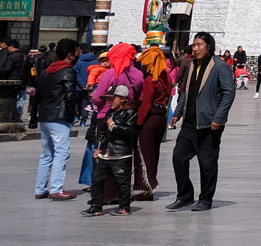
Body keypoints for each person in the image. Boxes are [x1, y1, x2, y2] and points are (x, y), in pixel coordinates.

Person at [167, 31, 233, 212]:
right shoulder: (191, 66)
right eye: (194, 45)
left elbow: (229, 93)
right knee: (178, 157)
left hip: (208, 124)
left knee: (207, 163)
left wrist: (218, 117)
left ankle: (205, 199)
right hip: (189, 123)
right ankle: (185, 195)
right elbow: (186, 92)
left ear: (208, 47)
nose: (195, 49)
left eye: (199, 45)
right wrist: (178, 113)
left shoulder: (219, 67)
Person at [32, 38, 80, 200]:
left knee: (47, 154)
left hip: (45, 116)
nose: (78, 55)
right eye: (77, 52)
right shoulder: (68, 71)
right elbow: (69, 95)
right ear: (70, 55)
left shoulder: (47, 70)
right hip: (59, 116)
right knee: (61, 152)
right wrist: (73, 114)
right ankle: (56, 188)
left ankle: (40, 188)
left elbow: (37, 95)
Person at [82, 85, 138, 217]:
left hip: (121, 154)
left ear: (123, 99)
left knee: (123, 183)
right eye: (108, 99)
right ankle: (96, 206)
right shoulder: (110, 113)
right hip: (106, 153)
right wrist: (98, 148)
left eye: (113, 99)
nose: (110, 102)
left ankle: (124, 207)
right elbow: (102, 133)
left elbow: (129, 131)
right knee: (97, 180)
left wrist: (113, 126)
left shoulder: (130, 113)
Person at [132, 45, 174, 199]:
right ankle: (149, 186)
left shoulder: (151, 80)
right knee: (153, 153)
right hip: (161, 118)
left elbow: (146, 105)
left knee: (143, 153)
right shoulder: (166, 77)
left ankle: (145, 187)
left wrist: (138, 123)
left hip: (150, 119)